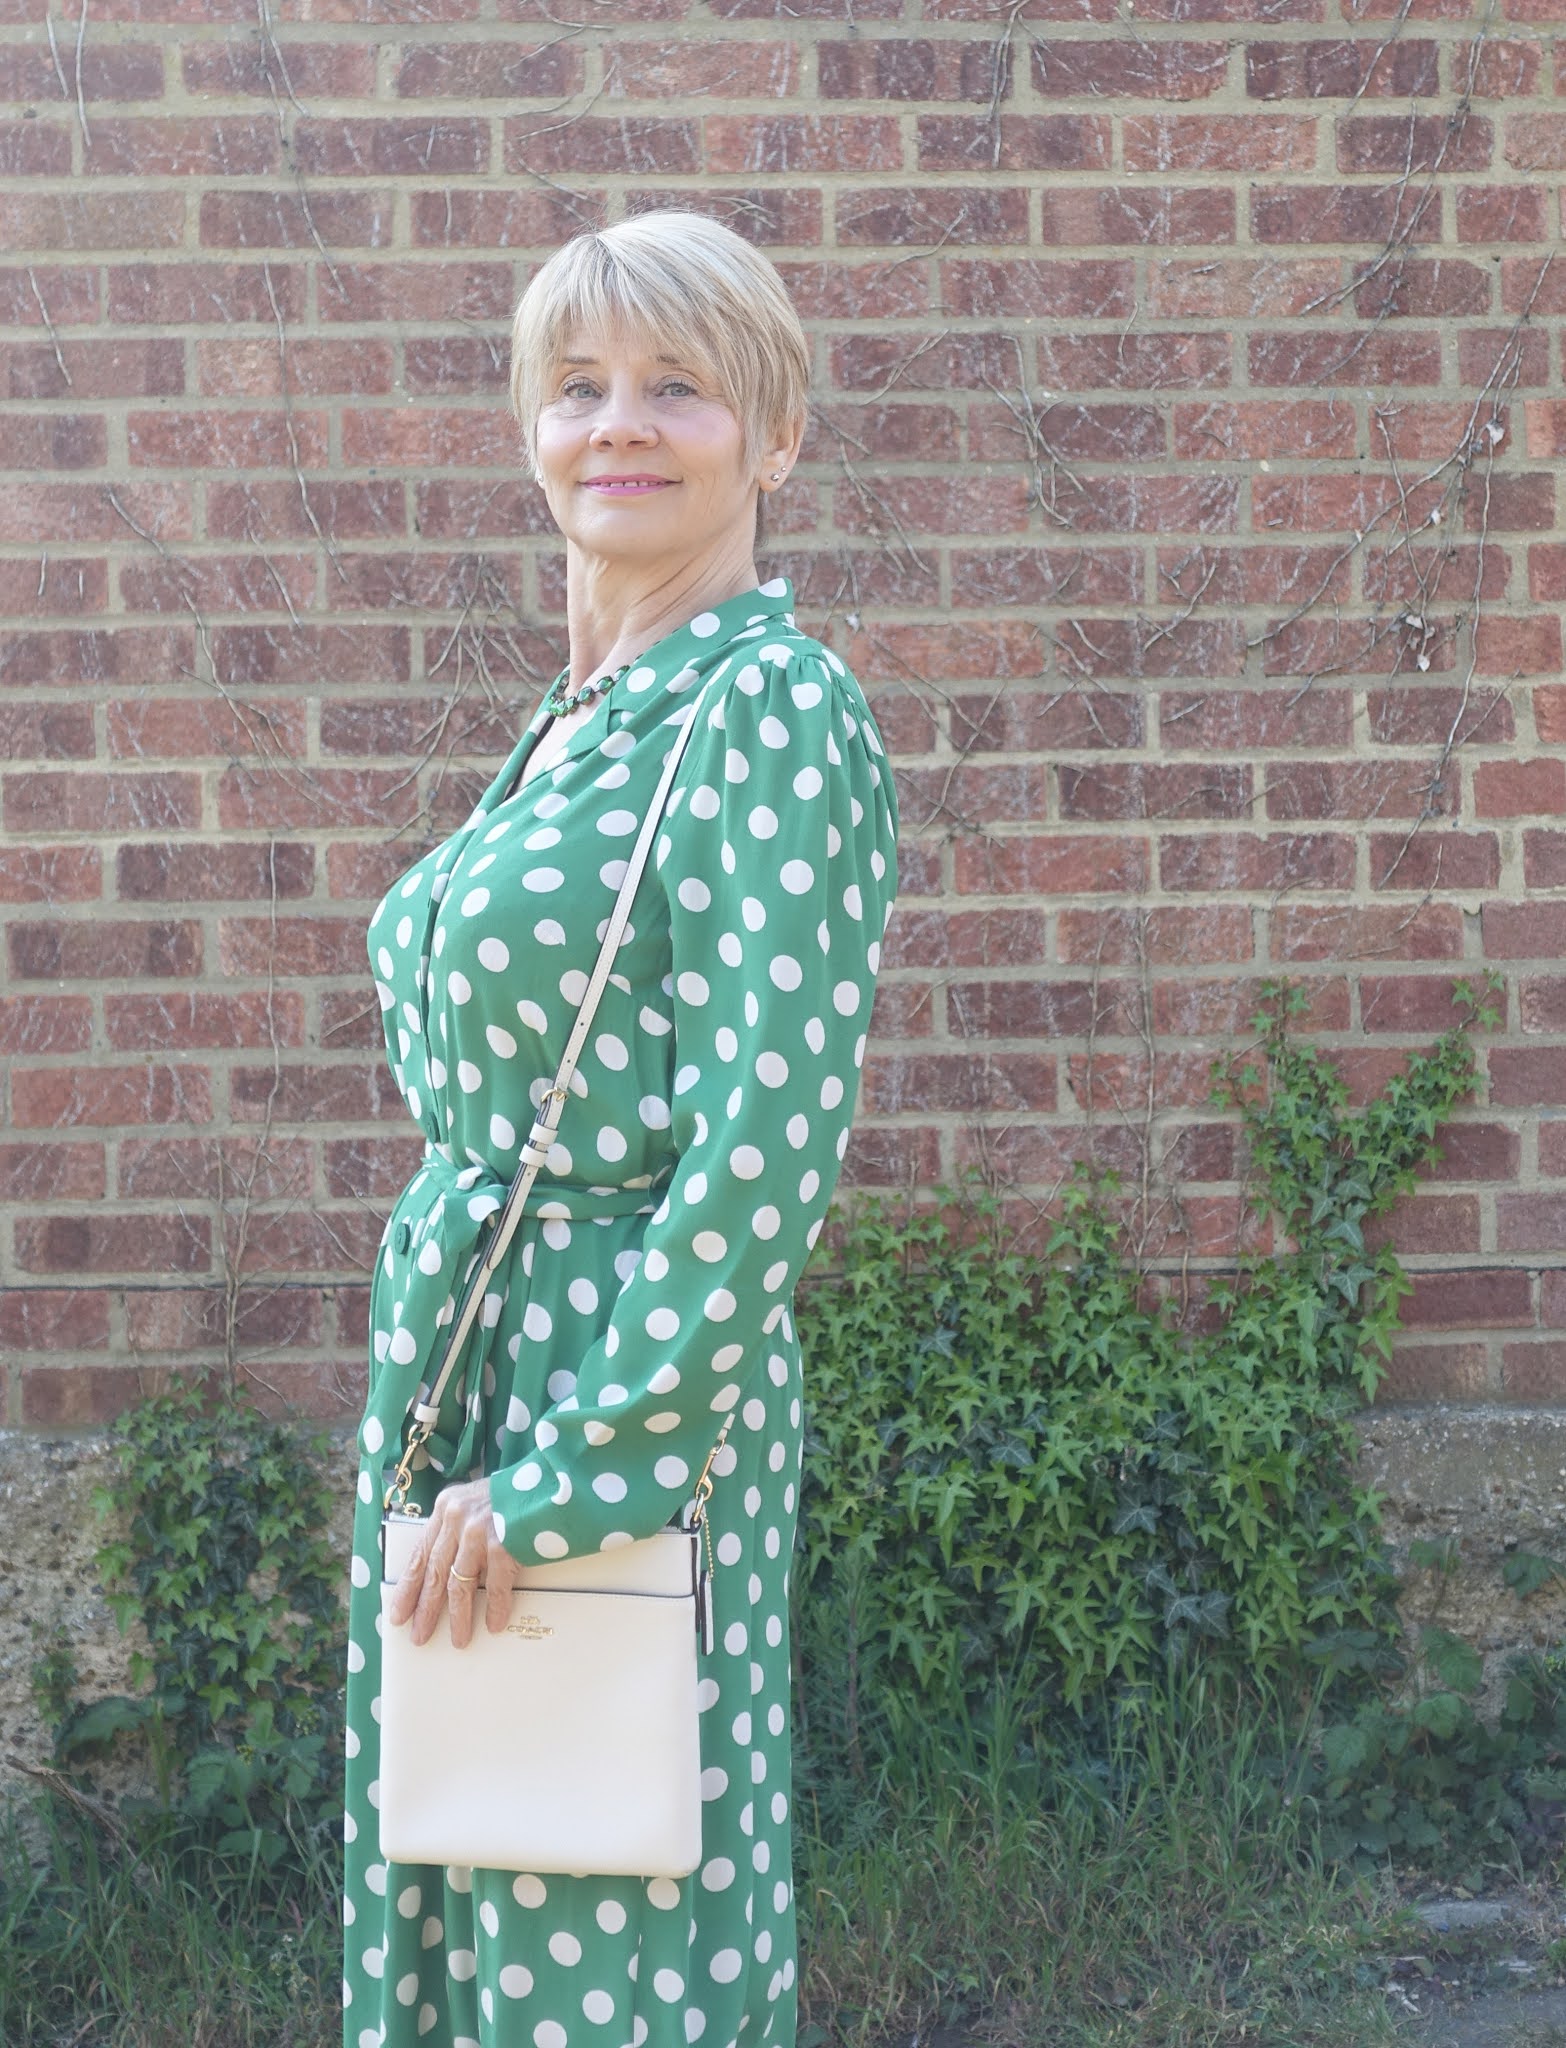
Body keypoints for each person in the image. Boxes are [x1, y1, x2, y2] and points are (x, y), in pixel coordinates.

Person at [341, 208, 900, 2048]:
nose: (620, 425)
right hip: (476, 1369)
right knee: (469, 1862)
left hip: (611, 1405)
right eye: (578, 388)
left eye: (678, 385)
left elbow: (760, 1164)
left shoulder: (769, 708)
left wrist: (574, 1474)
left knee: (603, 1919)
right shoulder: (588, 716)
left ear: (776, 435)